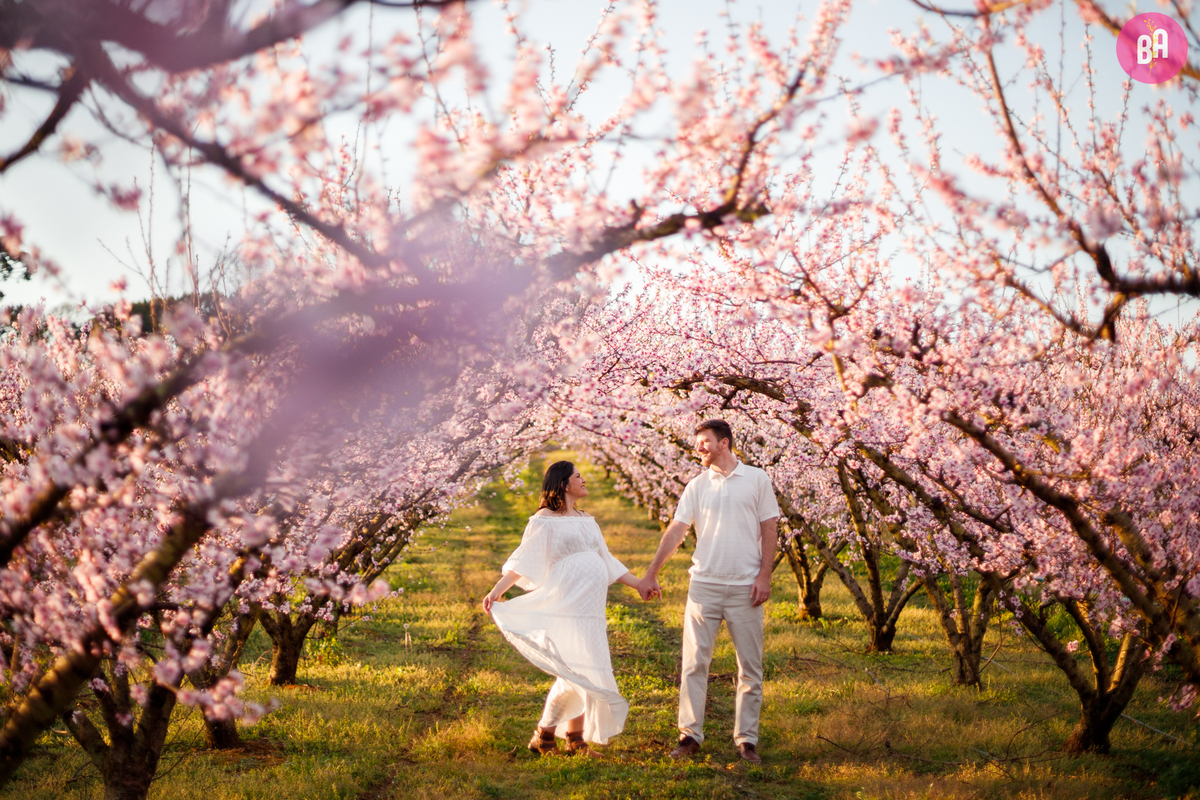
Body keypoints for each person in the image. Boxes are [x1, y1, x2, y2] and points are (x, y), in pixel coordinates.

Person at [638, 419, 780, 764]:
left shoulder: (757, 479)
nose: (698, 448)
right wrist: (651, 572)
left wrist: (764, 576)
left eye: (704, 441)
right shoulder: (697, 485)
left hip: (746, 587)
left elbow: (770, 528)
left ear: (725, 443)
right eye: (697, 442)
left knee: (750, 667)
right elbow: (677, 530)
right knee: (693, 664)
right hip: (704, 585)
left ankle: (747, 741)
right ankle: (689, 736)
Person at [483, 460, 643, 758]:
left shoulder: (587, 520)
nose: (584, 480)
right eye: (578, 476)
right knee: (575, 670)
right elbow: (523, 560)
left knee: (585, 668)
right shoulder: (544, 520)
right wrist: (497, 591)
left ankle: (564, 738)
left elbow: (607, 561)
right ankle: (557, 737)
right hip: (567, 603)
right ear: (565, 484)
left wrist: (640, 584)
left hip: (591, 607)